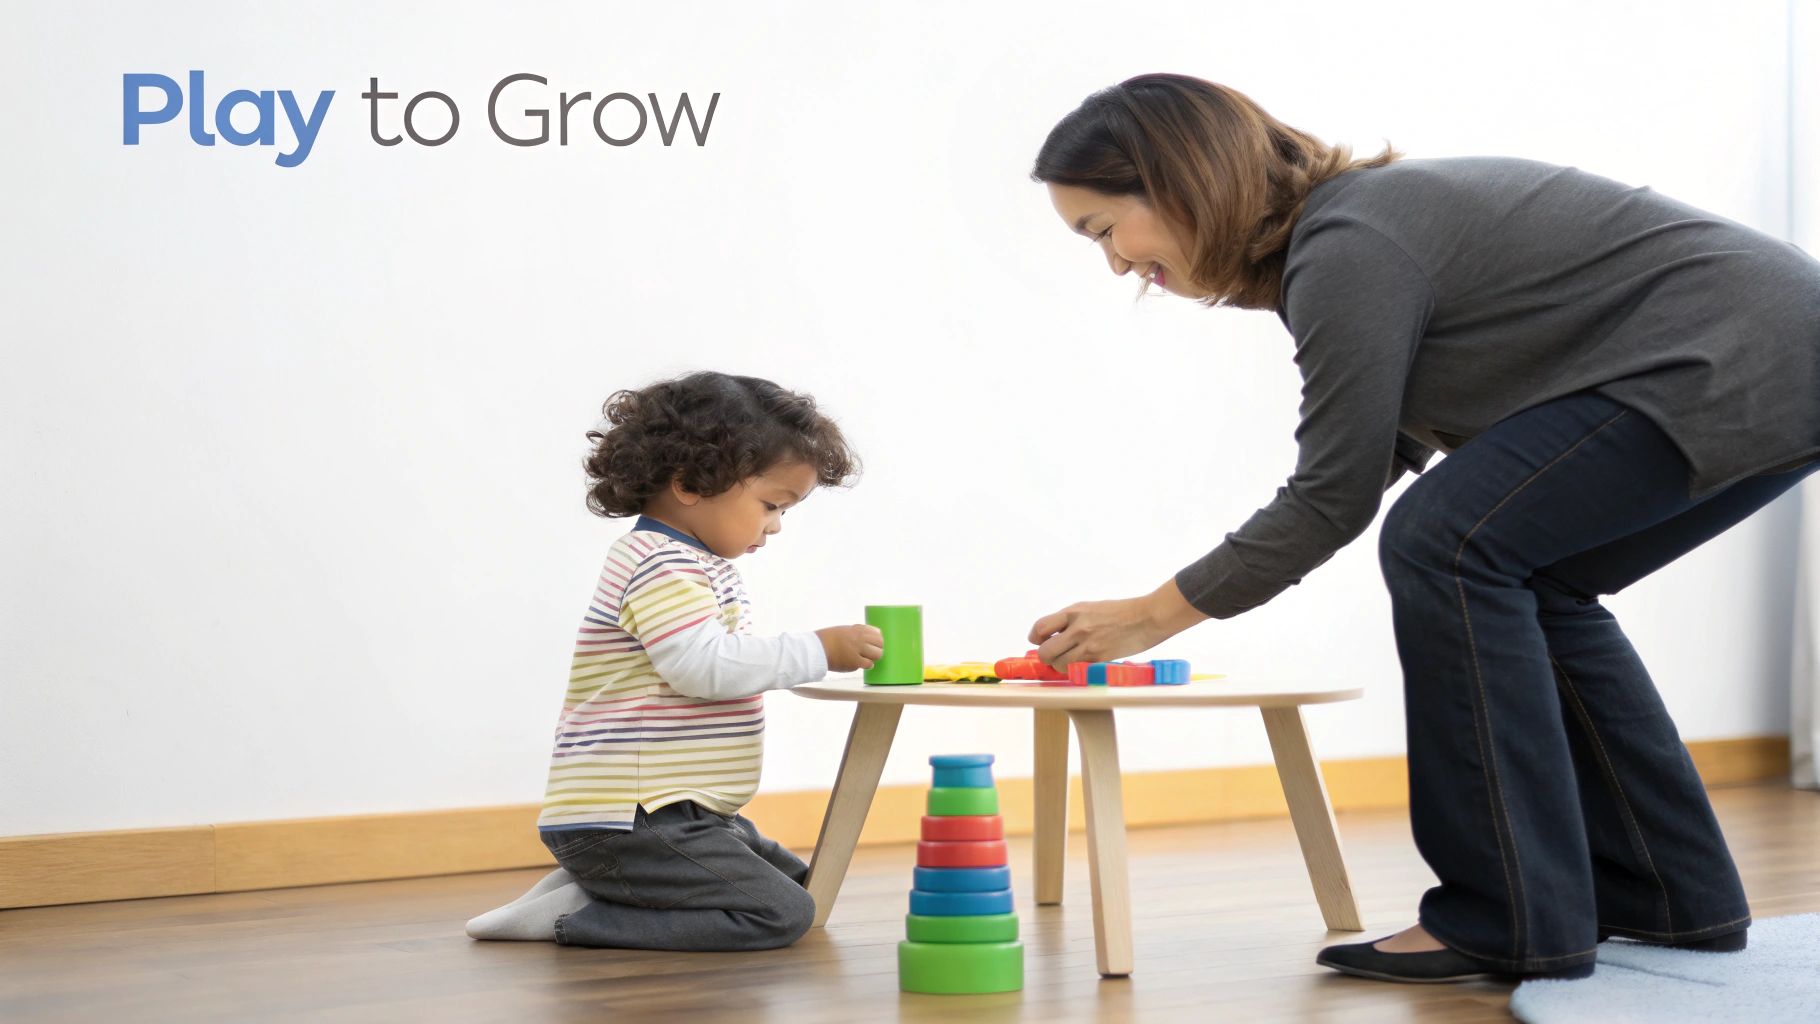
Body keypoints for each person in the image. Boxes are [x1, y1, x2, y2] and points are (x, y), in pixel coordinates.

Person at [1027, 73, 1820, 983]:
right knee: (1528, 571)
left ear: (1178, 180)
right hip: (1776, 355)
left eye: (1103, 231)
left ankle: (1504, 914)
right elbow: (1378, 446)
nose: (1117, 266)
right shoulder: (1351, 238)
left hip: (1731, 352)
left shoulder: (1350, 242)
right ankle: (1666, 892)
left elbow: (1335, 493)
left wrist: (1154, 613)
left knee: (1445, 541)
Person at [466, 371, 881, 950]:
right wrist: (818, 650)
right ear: (689, 483)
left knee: (805, 887)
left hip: (678, 814)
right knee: (781, 914)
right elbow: (702, 666)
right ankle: (573, 917)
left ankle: (602, 887)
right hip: (631, 820)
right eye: (770, 504)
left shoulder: (692, 563)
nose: (776, 525)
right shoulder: (659, 563)